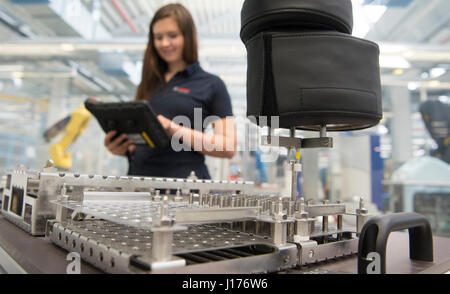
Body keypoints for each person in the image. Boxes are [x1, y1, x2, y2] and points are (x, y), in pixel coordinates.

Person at [104, 3, 236, 179]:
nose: (165, 43)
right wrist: (123, 148)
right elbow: (141, 144)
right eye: (158, 37)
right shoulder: (148, 84)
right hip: (138, 186)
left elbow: (228, 147)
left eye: (172, 35)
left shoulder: (211, 84)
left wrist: (173, 129)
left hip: (185, 189)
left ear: (188, 37)